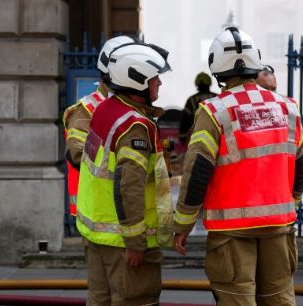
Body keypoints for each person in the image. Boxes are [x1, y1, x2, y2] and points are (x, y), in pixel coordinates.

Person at [173, 27, 303, 306]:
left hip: (232, 230)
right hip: (279, 227)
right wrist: (291, 200)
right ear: (255, 62)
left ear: (218, 70)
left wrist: (183, 223)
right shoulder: (287, 107)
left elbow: (198, 170)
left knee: (237, 301)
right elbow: (302, 159)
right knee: (279, 299)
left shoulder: (214, 111)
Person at [75, 42, 173, 306]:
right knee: (136, 300)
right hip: (123, 241)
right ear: (138, 80)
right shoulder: (134, 126)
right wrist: (135, 242)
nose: (160, 83)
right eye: (155, 78)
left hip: (97, 234)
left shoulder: (106, 110)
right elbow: (128, 186)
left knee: (99, 300)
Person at [63, 35, 135, 217]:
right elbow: (78, 155)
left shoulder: (135, 108)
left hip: (128, 212)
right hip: (99, 213)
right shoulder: (86, 110)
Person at [178, 72, 217, 144]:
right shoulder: (216, 97)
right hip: (216, 136)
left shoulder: (191, 100)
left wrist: (182, 136)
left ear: (197, 84)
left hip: (197, 138)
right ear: (209, 83)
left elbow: (185, 120)